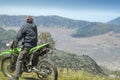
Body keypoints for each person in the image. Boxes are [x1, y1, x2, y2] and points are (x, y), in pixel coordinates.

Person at [12, 16, 38, 80]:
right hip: (34, 45)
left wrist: (15, 42)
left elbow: (19, 35)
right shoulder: (34, 25)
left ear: (27, 20)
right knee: (29, 57)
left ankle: (16, 77)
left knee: (19, 59)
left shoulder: (25, 26)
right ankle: (25, 68)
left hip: (27, 46)